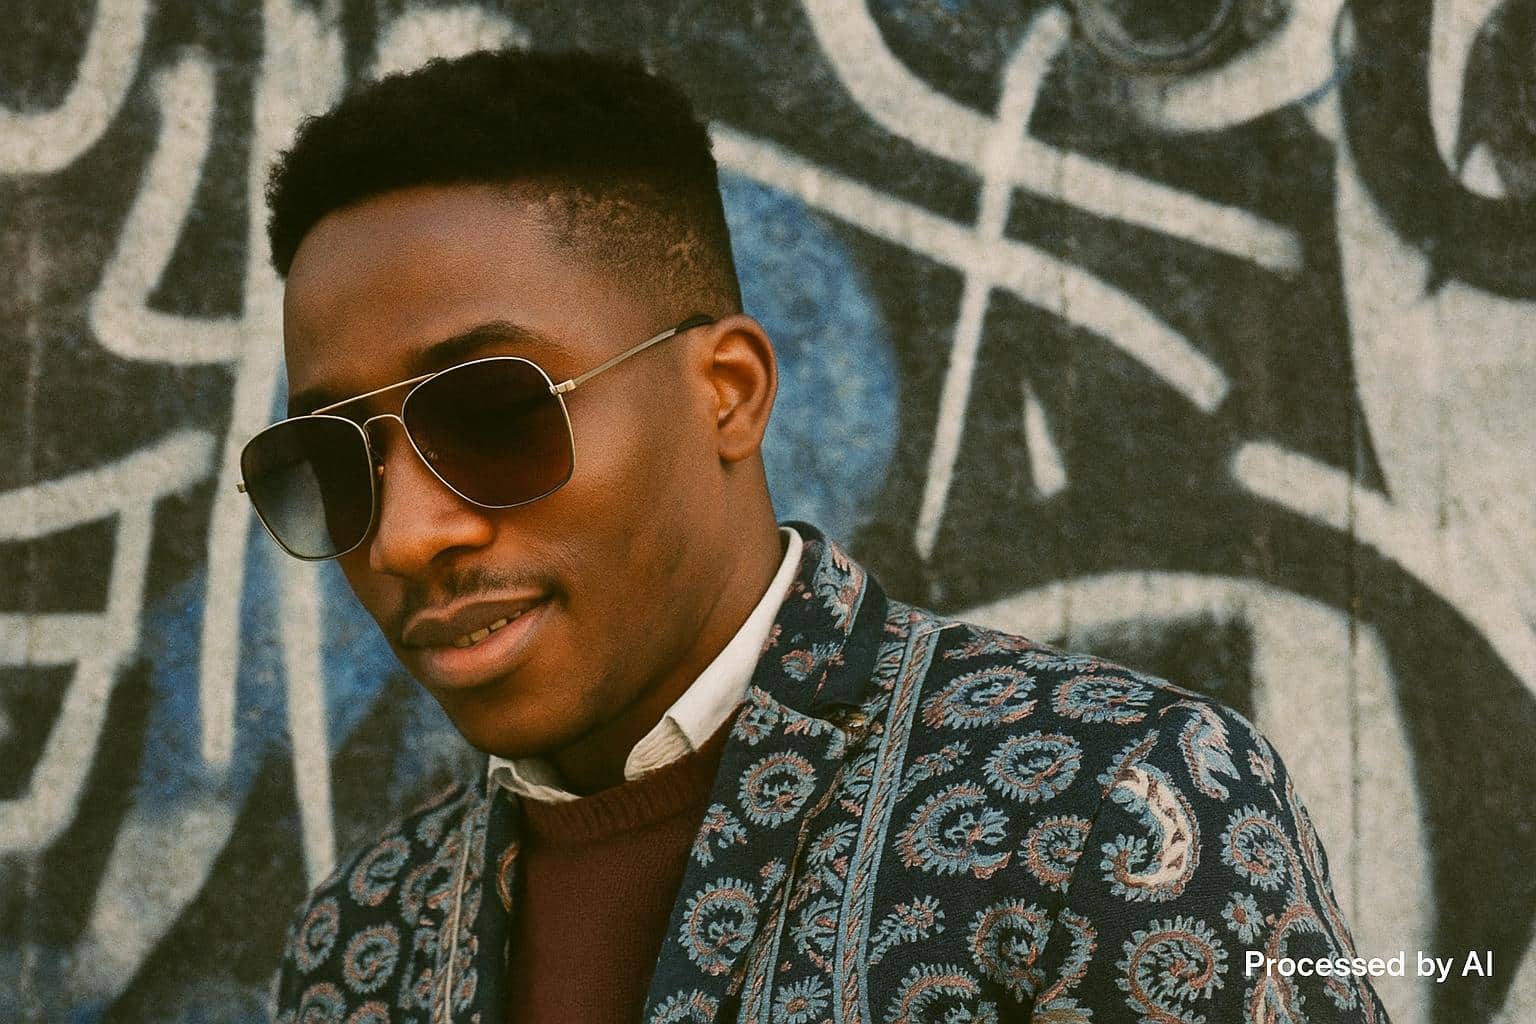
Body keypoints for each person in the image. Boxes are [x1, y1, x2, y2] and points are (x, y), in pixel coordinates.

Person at [249, 48, 1389, 1024]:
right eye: (333, 467)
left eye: (495, 416)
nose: (404, 539)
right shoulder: (359, 942)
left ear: (729, 394)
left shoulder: (1112, 809)